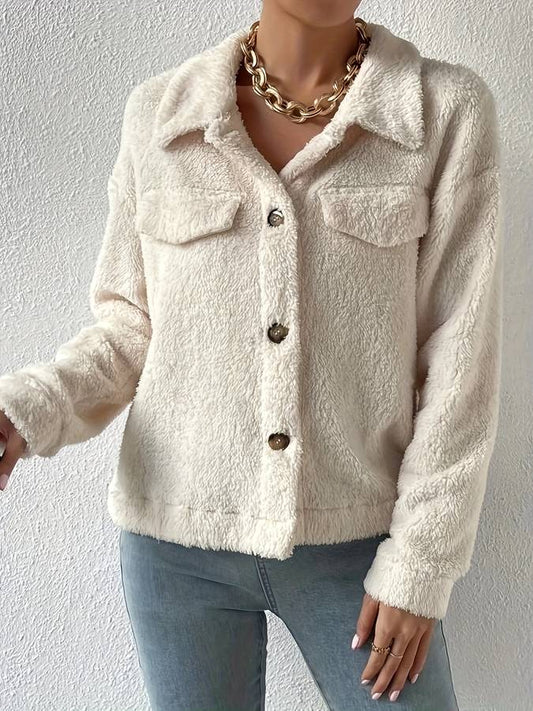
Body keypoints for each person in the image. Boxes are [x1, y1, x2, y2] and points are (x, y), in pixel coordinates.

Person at [0, 1, 502, 708]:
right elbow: (129, 329)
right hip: (176, 549)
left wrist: (421, 563)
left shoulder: (441, 111)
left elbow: (460, 361)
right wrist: (28, 408)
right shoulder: (161, 115)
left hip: (359, 546)